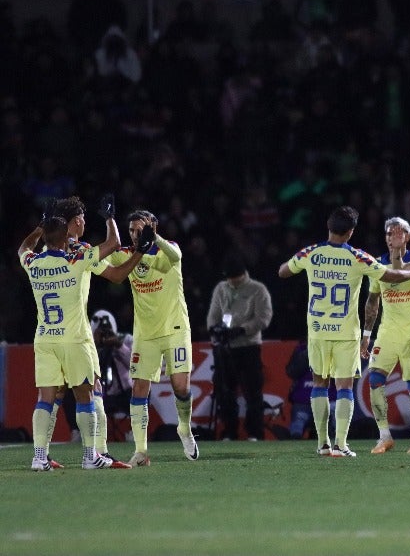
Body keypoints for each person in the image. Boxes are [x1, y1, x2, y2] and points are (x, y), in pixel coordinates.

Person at [278, 206, 410, 457]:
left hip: (317, 331)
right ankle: (341, 444)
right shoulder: (359, 257)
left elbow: (283, 271)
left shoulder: (312, 252)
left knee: (319, 384)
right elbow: (390, 278)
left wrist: (301, 261)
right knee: (344, 388)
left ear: (329, 227)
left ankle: (322, 444)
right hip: (345, 332)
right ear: (351, 232)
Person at [18, 200, 140, 470]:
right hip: (75, 338)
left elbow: (23, 248)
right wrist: (110, 218)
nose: (85, 223)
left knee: (46, 398)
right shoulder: (78, 258)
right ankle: (91, 456)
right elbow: (113, 244)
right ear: (69, 230)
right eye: (82, 219)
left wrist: (40, 227)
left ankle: (39, 457)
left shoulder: (33, 263)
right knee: (87, 394)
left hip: (45, 338)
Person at [103, 209, 197, 467]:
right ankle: (141, 451)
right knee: (139, 388)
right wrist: (108, 220)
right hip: (145, 334)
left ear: (153, 226)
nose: (134, 235)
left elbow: (176, 256)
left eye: (139, 229)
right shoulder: (127, 254)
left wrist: (153, 239)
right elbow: (107, 253)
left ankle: (185, 429)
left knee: (181, 387)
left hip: (175, 328)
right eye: (131, 230)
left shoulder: (168, 249)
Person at [360, 217, 410, 454]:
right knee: (374, 381)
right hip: (387, 333)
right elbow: (372, 301)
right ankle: (384, 437)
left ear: (408, 236)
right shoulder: (376, 265)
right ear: (385, 238)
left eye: (399, 231)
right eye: (389, 232)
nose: (393, 235)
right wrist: (366, 335)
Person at [207, 255, 273, 441]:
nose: (232, 282)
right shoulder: (221, 288)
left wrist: (243, 329)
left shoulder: (257, 289)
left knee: (252, 392)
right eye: (229, 278)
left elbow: (264, 318)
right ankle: (229, 431)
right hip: (224, 348)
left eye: (235, 278)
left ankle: (255, 432)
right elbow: (213, 313)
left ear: (242, 275)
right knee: (225, 392)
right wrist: (214, 330)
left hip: (248, 347)